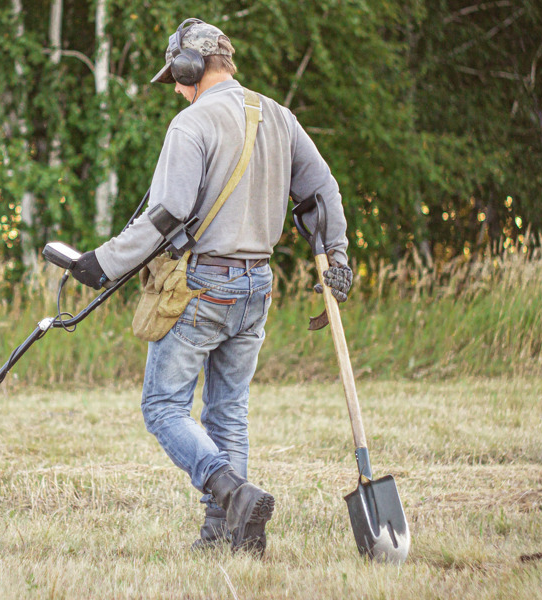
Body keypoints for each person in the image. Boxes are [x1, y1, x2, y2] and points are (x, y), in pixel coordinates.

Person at [68, 18, 352, 556]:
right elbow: (321, 190)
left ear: (190, 67)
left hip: (204, 286)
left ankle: (233, 492)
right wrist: (335, 255)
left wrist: (103, 263)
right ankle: (228, 538)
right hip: (257, 287)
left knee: (162, 407)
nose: (175, 89)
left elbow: (168, 215)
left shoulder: (192, 124)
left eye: (175, 77)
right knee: (228, 411)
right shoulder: (279, 116)